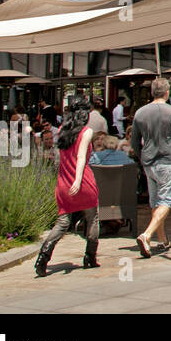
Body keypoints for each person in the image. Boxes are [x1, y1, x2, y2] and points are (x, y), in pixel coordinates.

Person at [34, 94, 100, 277]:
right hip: (83, 181)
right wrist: (78, 180)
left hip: (63, 182)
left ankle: (43, 256)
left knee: (63, 222)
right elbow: (80, 157)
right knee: (93, 218)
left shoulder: (62, 130)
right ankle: (90, 257)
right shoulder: (86, 131)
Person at [129, 78, 171, 258]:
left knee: (156, 201)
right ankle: (147, 235)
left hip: (149, 163)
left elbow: (134, 141)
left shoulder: (140, 113)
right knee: (166, 201)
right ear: (167, 92)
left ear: (151, 92)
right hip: (167, 161)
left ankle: (162, 240)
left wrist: (142, 158)